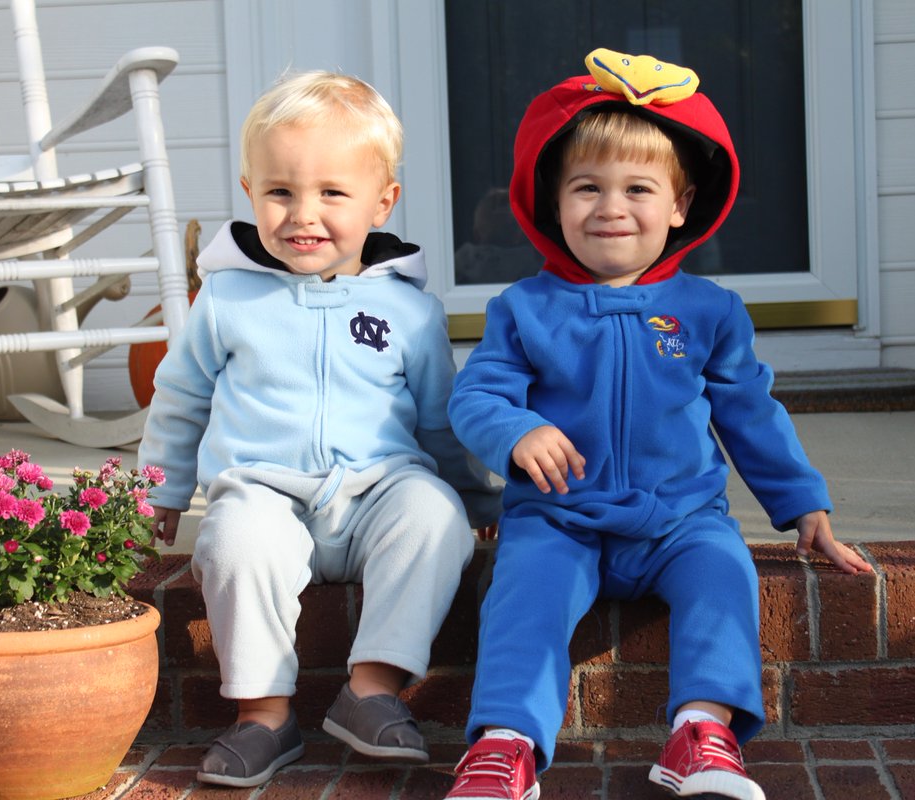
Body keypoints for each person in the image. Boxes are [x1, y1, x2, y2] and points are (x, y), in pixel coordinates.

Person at [442, 50, 873, 800]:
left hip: (679, 519)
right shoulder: (524, 309)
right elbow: (476, 393)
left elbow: (748, 410)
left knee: (723, 574)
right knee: (523, 595)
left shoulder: (710, 311)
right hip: (559, 517)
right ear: (552, 203)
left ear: (680, 205)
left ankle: (701, 733)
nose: (611, 207)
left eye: (637, 188)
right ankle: (505, 745)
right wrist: (515, 432)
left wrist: (804, 505)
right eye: (587, 188)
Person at [137, 69, 500, 789]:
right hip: (264, 491)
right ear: (250, 193)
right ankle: (264, 715)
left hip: (380, 489)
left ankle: (371, 690)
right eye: (281, 192)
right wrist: (163, 488)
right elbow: (179, 395)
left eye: (332, 193)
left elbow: (438, 416)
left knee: (434, 517)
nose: (304, 214)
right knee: (234, 542)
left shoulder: (411, 312)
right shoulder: (227, 299)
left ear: (382, 201)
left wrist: (475, 500)